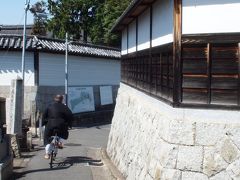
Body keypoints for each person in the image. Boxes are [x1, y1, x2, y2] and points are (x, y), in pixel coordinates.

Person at [42, 94, 73, 159]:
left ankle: (47, 154)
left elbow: (44, 115)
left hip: (50, 124)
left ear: (55, 99)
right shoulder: (64, 107)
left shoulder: (49, 106)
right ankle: (60, 142)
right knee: (64, 134)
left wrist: (44, 123)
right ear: (62, 100)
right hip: (61, 124)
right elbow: (70, 115)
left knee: (47, 138)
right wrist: (69, 124)